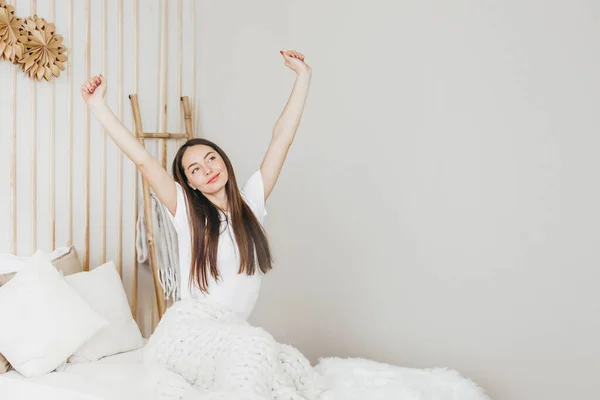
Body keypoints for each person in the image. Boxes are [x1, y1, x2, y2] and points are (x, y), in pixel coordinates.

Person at [81, 50, 311, 320]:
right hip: (193, 332)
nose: (208, 169)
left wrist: (303, 76)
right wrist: (97, 105)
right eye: (195, 169)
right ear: (190, 183)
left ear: (223, 160)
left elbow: (281, 139)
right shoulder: (186, 212)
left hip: (234, 334)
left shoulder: (251, 202)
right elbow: (143, 160)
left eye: (211, 158)